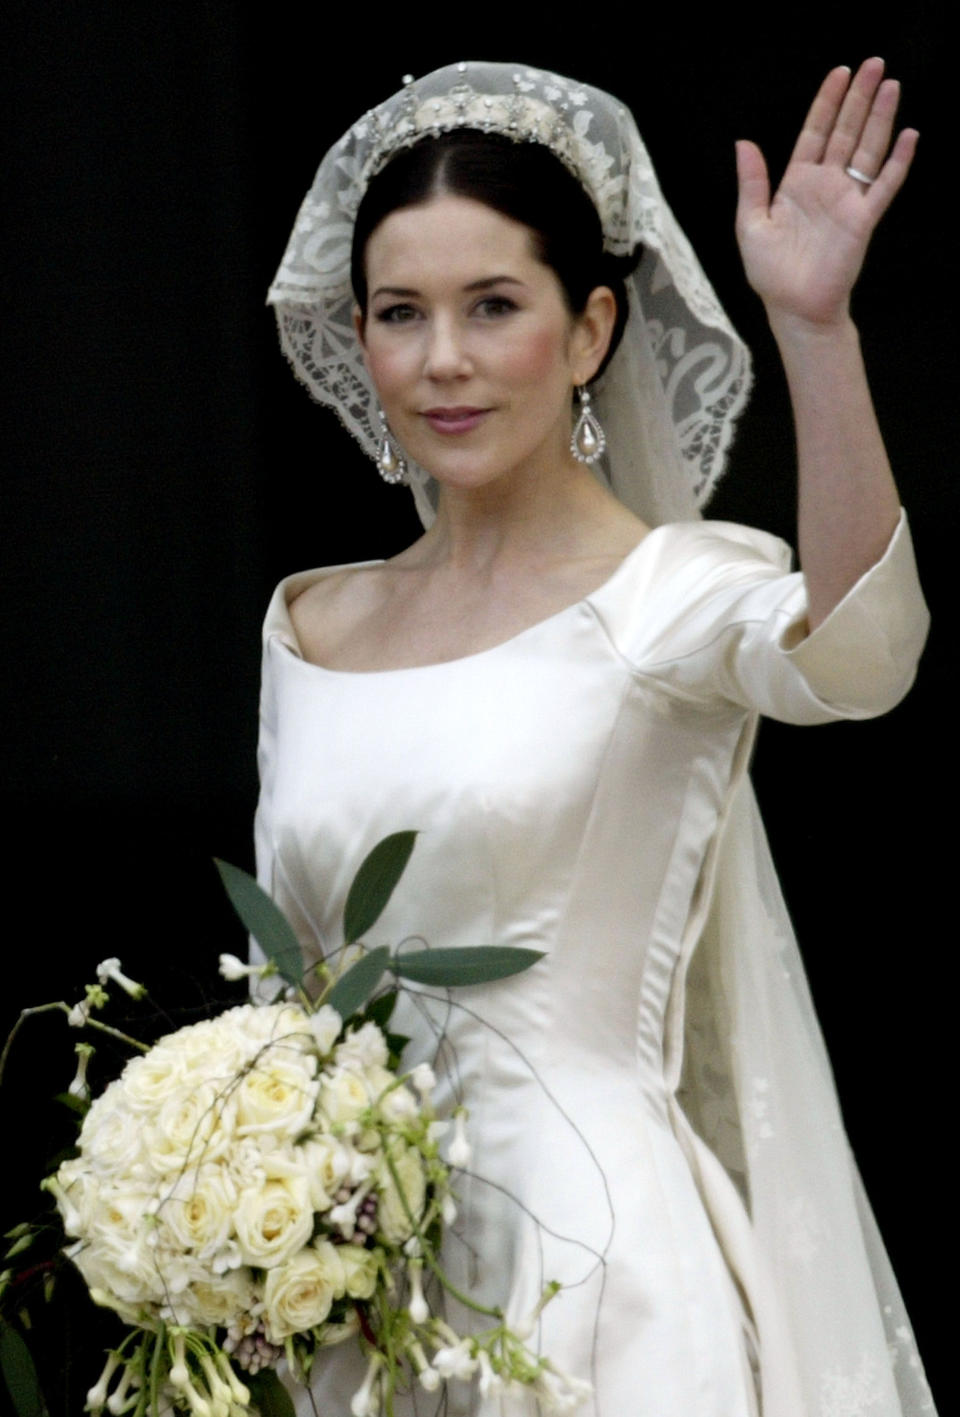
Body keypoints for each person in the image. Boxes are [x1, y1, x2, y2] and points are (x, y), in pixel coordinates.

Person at [256, 60, 935, 1415]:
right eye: (403, 314)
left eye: (494, 306)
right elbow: (294, 987)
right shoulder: (310, 627)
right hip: (359, 1280)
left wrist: (816, 329)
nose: (442, 357)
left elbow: (861, 655)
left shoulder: (663, 597)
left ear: (589, 330)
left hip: (597, 1279)